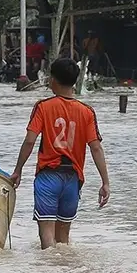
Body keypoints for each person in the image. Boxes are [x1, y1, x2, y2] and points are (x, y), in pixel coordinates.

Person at [10, 58, 110, 249]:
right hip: (72, 179)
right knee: (63, 241)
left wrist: (18, 170)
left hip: (48, 177)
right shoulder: (87, 112)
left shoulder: (43, 107)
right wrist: (105, 182)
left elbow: (30, 141)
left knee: (47, 241)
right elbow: (96, 147)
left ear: (53, 80)